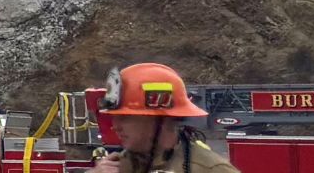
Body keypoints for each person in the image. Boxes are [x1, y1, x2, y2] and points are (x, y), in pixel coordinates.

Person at [92, 63, 237, 173]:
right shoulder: (118, 167)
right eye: (114, 117)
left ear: (160, 119)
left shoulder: (209, 169)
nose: (115, 126)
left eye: (126, 117)